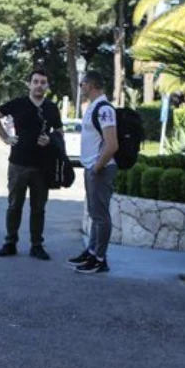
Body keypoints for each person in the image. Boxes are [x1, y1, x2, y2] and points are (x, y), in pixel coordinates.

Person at [0, 69, 63, 261]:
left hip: (42, 165)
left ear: (47, 86)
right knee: (14, 205)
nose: (39, 85)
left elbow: (60, 132)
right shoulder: (18, 103)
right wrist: (5, 137)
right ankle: (10, 242)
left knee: (39, 208)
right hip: (18, 163)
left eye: (43, 82)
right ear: (29, 84)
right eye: (36, 81)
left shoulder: (51, 108)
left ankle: (36, 245)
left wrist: (51, 139)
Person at [68, 71, 118, 274]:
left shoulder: (104, 109)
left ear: (89, 85)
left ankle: (99, 259)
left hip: (101, 169)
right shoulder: (94, 107)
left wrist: (97, 167)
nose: (81, 88)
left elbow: (112, 144)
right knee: (94, 213)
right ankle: (91, 252)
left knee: (100, 216)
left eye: (82, 85)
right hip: (93, 167)